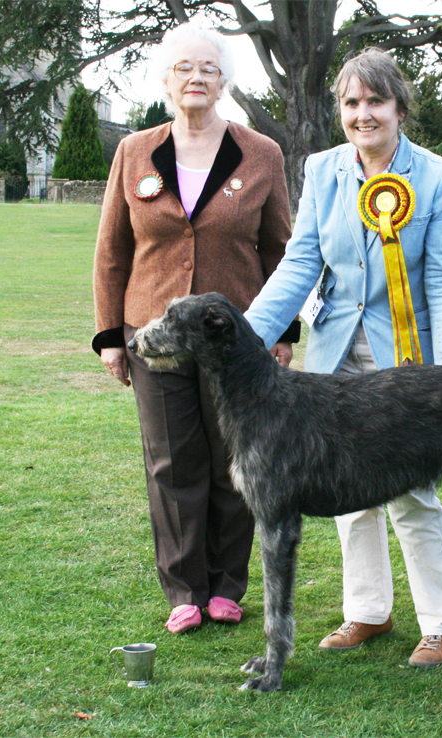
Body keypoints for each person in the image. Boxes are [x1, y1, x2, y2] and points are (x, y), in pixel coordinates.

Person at [244, 48, 442, 667]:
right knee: (346, 489)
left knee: (412, 492)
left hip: (409, 362)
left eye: (375, 101)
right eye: (351, 103)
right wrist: (250, 332)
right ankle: (367, 612)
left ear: (400, 108)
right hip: (332, 355)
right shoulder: (322, 170)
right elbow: (301, 262)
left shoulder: (437, 176)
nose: (363, 114)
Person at [92, 19, 297, 634]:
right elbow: (111, 251)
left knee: (235, 458)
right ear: (166, 79)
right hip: (152, 336)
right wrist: (109, 336)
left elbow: (281, 251)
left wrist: (284, 332)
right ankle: (184, 587)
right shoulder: (135, 151)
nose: (197, 78)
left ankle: (227, 585)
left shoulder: (262, 153)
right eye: (185, 68)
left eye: (209, 68)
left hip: (236, 343)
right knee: (171, 460)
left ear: (225, 81)